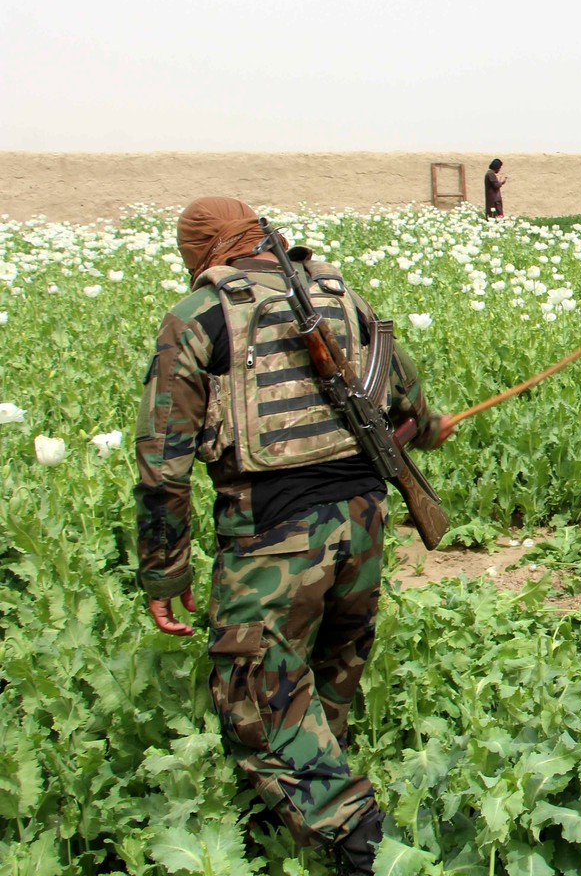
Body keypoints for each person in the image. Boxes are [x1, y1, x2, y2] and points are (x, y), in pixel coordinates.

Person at [134, 196, 448, 874]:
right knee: (328, 679)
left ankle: (366, 848)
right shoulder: (335, 291)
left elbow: (163, 465)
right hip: (362, 528)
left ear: (200, 255)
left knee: (259, 706)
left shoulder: (198, 318)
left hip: (273, 537)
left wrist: (164, 570)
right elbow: (403, 392)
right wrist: (427, 425)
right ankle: (298, 820)